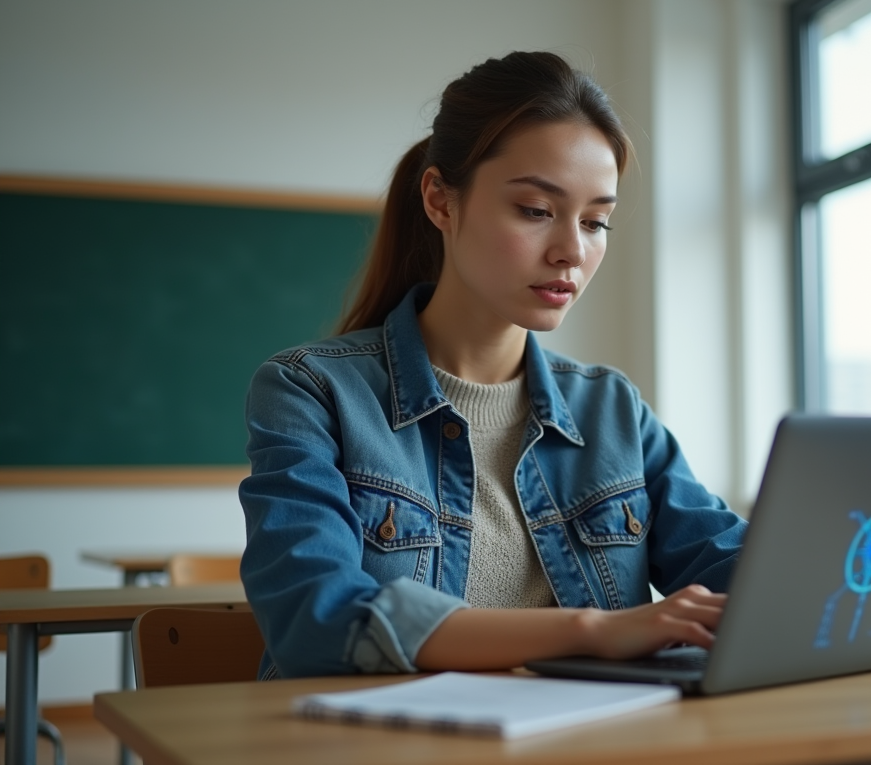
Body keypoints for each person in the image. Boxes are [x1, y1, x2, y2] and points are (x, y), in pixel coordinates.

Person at [239, 51, 747, 679]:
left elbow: (740, 570)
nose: (572, 251)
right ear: (440, 201)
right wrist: (594, 630)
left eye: (596, 221)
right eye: (536, 211)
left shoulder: (610, 408)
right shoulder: (311, 391)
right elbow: (315, 618)